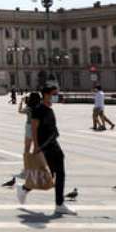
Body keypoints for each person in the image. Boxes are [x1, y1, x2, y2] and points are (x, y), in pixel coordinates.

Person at [17, 85, 76, 216]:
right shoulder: (39, 109)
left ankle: (25, 189)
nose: (56, 96)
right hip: (46, 146)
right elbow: (33, 128)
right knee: (58, 173)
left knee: (50, 174)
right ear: (46, 95)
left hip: (52, 143)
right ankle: (59, 204)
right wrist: (37, 146)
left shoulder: (48, 109)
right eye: (54, 94)